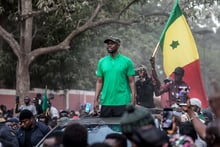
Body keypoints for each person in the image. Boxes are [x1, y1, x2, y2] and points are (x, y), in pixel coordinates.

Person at [93, 36, 136, 117]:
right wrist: (95, 100)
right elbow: (99, 82)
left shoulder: (127, 61)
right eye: (108, 44)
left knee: (123, 128)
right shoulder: (102, 62)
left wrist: (133, 99)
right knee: (105, 129)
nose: (109, 45)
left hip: (123, 101)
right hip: (106, 102)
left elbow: (131, 81)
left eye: (112, 43)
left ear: (118, 45)